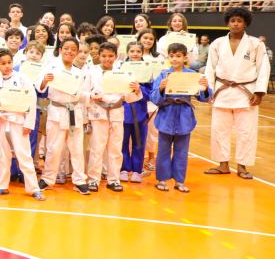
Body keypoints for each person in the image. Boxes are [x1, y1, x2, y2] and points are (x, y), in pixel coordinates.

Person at [204, 7, 270, 180]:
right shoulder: (217, 43)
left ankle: (242, 166)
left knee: (246, 131)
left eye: (239, 21)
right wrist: (208, 90)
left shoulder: (256, 44)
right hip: (221, 91)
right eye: (232, 20)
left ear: (245, 23)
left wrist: (260, 92)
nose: (235, 24)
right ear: (228, 23)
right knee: (219, 129)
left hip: (246, 92)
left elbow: (263, 68)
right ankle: (222, 164)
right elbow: (210, 68)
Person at [151, 43, 211, 192]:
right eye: (172, 56)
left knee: (182, 151)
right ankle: (162, 179)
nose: (175, 59)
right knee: (164, 149)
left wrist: (205, 87)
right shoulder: (163, 75)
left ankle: (179, 181)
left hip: (184, 115)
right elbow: (154, 98)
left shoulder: (193, 74)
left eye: (178, 56)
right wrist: (160, 88)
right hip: (166, 114)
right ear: (168, 57)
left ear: (185, 57)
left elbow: (204, 98)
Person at [86, 42, 143, 193]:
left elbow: (129, 97)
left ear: (116, 57)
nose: (107, 59)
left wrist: (136, 90)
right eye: (104, 56)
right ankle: (93, 179)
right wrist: (92, 96)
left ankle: (114, 179)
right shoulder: (91, 71)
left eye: (111, 56)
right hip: (98, 111)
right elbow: (84, 92)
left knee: (116, 148)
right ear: (98, 56)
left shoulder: (122, 72)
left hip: (117, 111)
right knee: (97, 147)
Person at [0, 48, 44, 200]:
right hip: (2, 121)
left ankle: (33, 188)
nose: (7, 66)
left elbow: (32, 101)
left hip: (19, 122)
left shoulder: (22, 79)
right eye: (3, 64)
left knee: (24, 155)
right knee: (3, 155)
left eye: (9, 62)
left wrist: (29, 123)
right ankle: (2, 186)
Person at [39, 37, 90, 193]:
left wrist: (92, 97)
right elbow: (40, 89)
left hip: (74, 111)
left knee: (76, 148)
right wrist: (44, 81)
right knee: (53, 148)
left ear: (77, 53)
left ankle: (80, 180)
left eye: (73, 49)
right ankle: (47, 179)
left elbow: (83, 95)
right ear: (60, 50)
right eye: (66, 48)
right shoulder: (51, 67)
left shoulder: (80, 73)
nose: (69, 51)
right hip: (57, 110)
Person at [119, 42, 150, 183]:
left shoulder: (147, 70)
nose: (135, 54)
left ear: (142, 53)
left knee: (139, 142)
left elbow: (151, 93)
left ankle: (137, 170)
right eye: (132, 51)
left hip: (140, 112)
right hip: (123, 111)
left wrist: (139, 90)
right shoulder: (120, 69)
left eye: (138, 51)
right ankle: (124, 169)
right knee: (122, 142)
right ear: (127, 53)